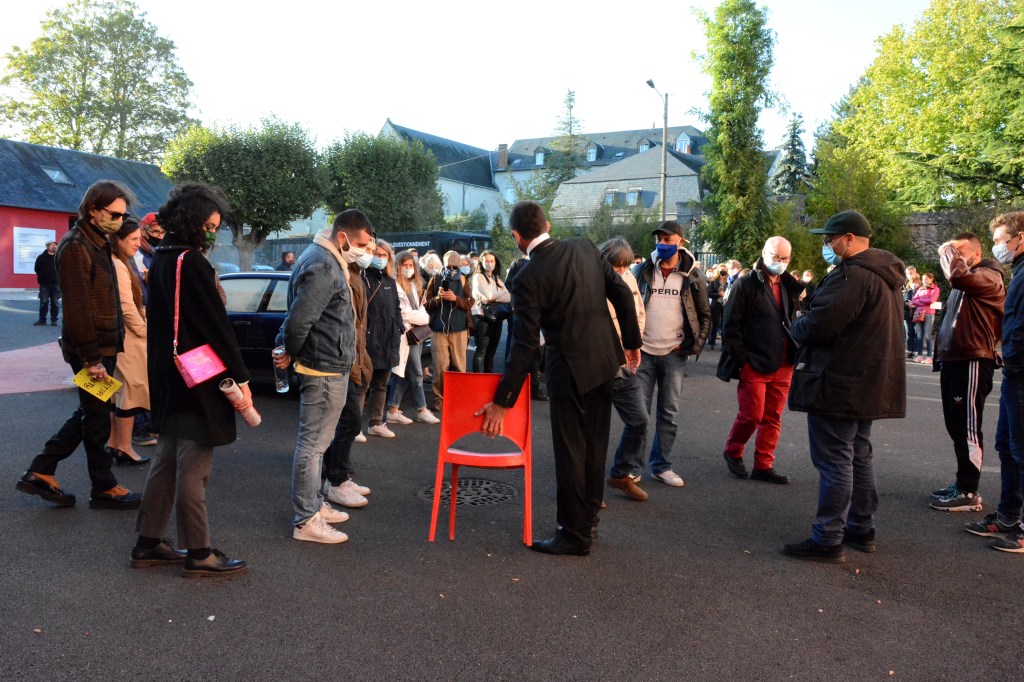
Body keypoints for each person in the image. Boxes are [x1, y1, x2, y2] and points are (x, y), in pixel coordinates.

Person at [478, 201, 641, 556]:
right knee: (595, 447)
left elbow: (523, 346)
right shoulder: (585, 247)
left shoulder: (527, 276)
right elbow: (622, 293)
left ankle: (574, 534)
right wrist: (632, 343)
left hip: (568, 369)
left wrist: (503, 400)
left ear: (516, 236)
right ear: (547, 224)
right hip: (605, 360)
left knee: (571, 453)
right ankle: (589, 521)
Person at [131, 182, 251, 576]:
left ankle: (147, 542)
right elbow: (216, 327)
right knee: (195, 467)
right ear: (192, 222)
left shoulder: (162, 258)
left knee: (165, 461)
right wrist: (241, 377)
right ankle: (199, 551)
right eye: (209, 226)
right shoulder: (192, 262)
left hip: (168, 375)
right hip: (197, 377)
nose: (212, 234)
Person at [783, 210, 906, 563]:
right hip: (868, 382)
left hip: (839, 381)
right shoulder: (885, 276)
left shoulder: (853, 276)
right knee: (859, 454)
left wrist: (797, 323)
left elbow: (821, 325)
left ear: (849, 239)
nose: (826, 245)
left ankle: (828, 538)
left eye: (829, 239)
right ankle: (861, 528)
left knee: (835, 459)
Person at [15, 181, 141, 511]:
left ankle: (42, 470)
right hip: (92, 351)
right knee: (96, 418)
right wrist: (92, 358)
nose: (120, 220)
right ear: (93, 210)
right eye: (115, 214)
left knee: (91, 412)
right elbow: (78, 308)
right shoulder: (75, 247)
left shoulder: (98, 242)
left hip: (103, 348)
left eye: (123, 214)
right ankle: (103, 486)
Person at [276, 209, 373, 544]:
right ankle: (306, 520)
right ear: (343, 237)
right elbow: (299, 320)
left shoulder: (325, 258)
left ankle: (315, 505)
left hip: (327, 364)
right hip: (322, 367)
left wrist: (290, 348)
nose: (364, 251)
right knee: (313, 446)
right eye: (362, 244)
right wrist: (290, 350)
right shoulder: (323, 264)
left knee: (318, 444)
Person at [630, 221, 711, 487]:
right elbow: (629, 307)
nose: (662, 244)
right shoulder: (642, 270)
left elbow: (704, 315)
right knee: (639, 415)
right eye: (659, 240)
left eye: (668, 240)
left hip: (674, 354)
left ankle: (661, 466)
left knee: (669, 414)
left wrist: (691, 347)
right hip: (643, 352)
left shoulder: (692, 275)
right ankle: (633, 467)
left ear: (680, 242)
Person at [927, 233, 1004, 512]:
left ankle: (968, 491)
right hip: (956, 358)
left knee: (967, 427)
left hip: (973, 359)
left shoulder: (989, 275)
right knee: (956, 425)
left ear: (976, 253)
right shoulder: (968, 278)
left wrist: (949, 250)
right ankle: (962, 483)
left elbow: (959, 277)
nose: (953, 256)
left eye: (960, 251)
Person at [720, 237, 804, 484]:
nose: (780, 262)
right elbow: (730, 325)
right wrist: (743, 360)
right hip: (754, 363)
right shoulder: (746, 283)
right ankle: (733, 451)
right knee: (752, 415)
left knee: (772, 417)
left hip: (784, 363)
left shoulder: (788, 285)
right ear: (764, 253)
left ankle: (764, 465)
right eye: (776, 257)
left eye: (785, 258)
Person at [964, 213, 1024, 552]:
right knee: (1007, 447)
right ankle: (1007, 516)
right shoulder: (1019, 271)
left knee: (1020, 450)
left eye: (1001, 240)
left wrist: (1013, 356)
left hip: (1020, 372)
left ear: (1021, 237)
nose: (997, 246)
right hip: (1014, 372)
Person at [323, 220, 376, 510]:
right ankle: (335, 480)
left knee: (348, 421)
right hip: (337, 359)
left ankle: (337, 476)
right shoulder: (334, 268)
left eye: (370, 249)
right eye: (363, 246)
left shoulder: (354, 271)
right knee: (349, 421)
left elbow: (358, 322)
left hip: (351, 357)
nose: (367, 253)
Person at [600, 237, 648, 502]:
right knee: (594, 431)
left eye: (624, 267)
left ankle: (620, 474)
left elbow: (638, 313)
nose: (620, 271)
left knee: (639, 420)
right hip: (597, 364)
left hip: (624, 364)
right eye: (616, 267)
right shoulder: (591, 280)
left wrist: (633, 344)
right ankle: (589, 491)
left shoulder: (629, 277)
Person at [106, 218, 151, 466]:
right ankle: (123, 446)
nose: (138, 243)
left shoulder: (119, 261)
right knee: (130, 393)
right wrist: (143, 331)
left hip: (123, 337)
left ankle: (115, 443)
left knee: (119, 393)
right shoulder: (118, 263)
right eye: (133, 239)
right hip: (128, 338)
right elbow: (126, 305)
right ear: (118, 239)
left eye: (139, 238)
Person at [386, 249, 440, 426]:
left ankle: (393, 410)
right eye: (405, 265)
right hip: (405, 334)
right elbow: (403, 313)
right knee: (416, 372)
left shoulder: (414, 285)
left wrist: (422, 316)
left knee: (404, 373)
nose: (408, 268)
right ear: (398, 266)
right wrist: (423, 318)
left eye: (411, 265)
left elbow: (420, 307)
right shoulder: (394, 285)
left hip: (415, 334)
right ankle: (421, 410)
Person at [363, 240, 404, 438]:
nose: (379, 258)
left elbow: (396, 308)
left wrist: (399, 326)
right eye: (376, 254)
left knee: (381, 384)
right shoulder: (363, 278)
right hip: (368, 340)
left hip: (388, 340)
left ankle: (376, 423)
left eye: (383, 255)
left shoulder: (390, 281)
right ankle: (352, 428)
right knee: (361, 386)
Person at [424, 250, 474, 412]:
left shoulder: (464, 279)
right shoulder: (435, 279)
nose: (452, 269)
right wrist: (438, 298)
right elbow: (426, 304)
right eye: (449, 266)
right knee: (440, 366)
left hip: (459, 327)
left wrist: (456, 299)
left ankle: (459, 396)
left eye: (455, 266)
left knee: (459, 365)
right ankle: (439, 398)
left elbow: (470, 302)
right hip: (439, 328)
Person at [470, 250, 512, 373]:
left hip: (496, 317)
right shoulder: (478, 277)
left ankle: (489, 377)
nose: (489, 263)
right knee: (481, 351)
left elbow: (508, 297)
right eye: (487, 261)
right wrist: (499, 294)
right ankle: (478, 379)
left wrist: (494, 297)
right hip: (482, 317)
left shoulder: (496, 278)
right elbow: (489, 295)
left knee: (492, 352)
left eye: (492, 261)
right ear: (481, 262)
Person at [910, 272, 940, 363]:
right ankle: (919, 355)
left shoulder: (935, 289)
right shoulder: (921, 288)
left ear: (931, 279)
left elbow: (931, 300)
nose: (924, 281)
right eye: (923, 279)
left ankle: (929, 356)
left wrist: (920, 300)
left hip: (929, 314)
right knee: (919, 335)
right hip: (919, 313)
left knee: (927, 335)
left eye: (926, 279)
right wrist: (923, 301)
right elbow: (913, 300)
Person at [34, 240, 60, 326]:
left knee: (55, 303)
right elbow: (37, 269)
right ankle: (42, 320)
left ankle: (54, 320)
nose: (54, 246)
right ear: (47, 247)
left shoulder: (58, 257)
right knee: (44, 302)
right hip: (44, 284)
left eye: (55, 245)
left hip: (56, 284)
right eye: (52, 245)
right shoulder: (41, 257)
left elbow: (62, 269)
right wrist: (43, 276)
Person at [706, 267, 728, 350]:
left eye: (725, 270)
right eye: (722, 270)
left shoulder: (729, 282)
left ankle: (724, 344)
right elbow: (709, 294)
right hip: (716, 304)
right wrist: (719, 294)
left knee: (724, 324)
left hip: (725, 305)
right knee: (715, 323)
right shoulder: (714, 282)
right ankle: (712, 342)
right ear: (718, 271)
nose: (723, 271)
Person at [904, 268, 920, 358]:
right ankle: (909, 350)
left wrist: (915, 303)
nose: (909, 275)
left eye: (911, 273)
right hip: (907, 314)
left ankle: (916, 351)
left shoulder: (921, 288)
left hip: (918, 314)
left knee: (917, 332)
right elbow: (901, 299)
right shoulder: (905, 287)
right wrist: (907, 304)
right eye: (908, 273)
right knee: (909, 332)